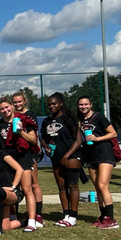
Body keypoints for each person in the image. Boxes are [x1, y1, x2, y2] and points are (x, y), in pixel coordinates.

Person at [0, 97, 39, 232]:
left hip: (23, 157)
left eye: (7, 107)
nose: (5, 110)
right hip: (8, 160)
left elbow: (33, 140)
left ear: (11, 106)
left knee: (27, 189)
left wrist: (21, 131)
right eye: (2, 109)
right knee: (11, 189)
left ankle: (32, 221)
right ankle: (14, 217)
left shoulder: (24, 119)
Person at [77, 95, 119, 229]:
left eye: (85, 104)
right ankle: (103, 216)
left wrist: (97, 138)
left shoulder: (99, 117)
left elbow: (113, 133)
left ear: (91, 105)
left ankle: (111, 219)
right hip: (91, 156)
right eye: (81, 105)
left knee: (102, 185)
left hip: (104, 153)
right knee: (97, 187)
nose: (83, 107)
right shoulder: (81, 120)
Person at [41, 93, 83, 228]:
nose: (51, 106)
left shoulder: (69, 119)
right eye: (49, 105)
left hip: (71, 157)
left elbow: (78, 140)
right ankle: (65, 214)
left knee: (72, 186)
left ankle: (73, 216)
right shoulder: (47, 121)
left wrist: (67, 156)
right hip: (56, 157)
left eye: (54, 104)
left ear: (61, 103)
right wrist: (45, 147)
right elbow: (42, 138)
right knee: (62, 187)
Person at [12, 91, 45, 227]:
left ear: (24, 101)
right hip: (16, 153)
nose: (17, 104)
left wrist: (21, 132)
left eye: (20, 101)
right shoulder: (12, 115)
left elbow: (33, 139)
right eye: (15, 102)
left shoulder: (30, 115)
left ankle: (37, 214)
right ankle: (15, 214)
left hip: (29, 153)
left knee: (33, 183)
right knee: (16, 184)